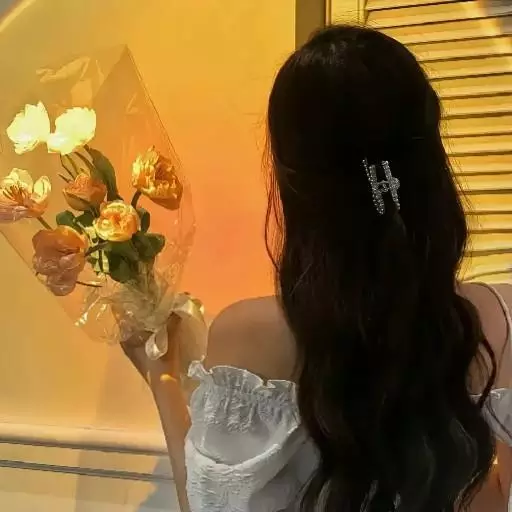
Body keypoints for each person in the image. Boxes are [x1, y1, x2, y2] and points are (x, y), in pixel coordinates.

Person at [123, 25, 512, 512]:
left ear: (293, 178)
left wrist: (162, 378)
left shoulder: (251, 334)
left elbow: (211, 506)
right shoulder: (503, 316)